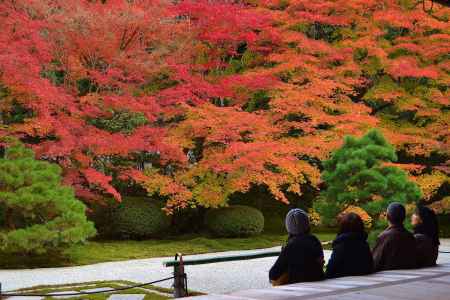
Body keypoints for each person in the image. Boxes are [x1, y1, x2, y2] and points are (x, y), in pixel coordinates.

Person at [269, 208, 325, 285]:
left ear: (288, 226)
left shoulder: (291, 246)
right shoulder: (315, 241)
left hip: (298, 287)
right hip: (319, 282)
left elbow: (273, 275)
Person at [326, 212, 373, 278]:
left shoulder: (341, 246)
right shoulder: (364, 245)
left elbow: (330, 270)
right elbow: (370, 267)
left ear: (342, 227)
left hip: (342, 283)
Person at [372, 202, 417, 271]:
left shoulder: (384, 237)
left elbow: (374, 263)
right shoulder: (410, 237)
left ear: (387, 217)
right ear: (404, 217)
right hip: (409, 277)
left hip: (387, 278)